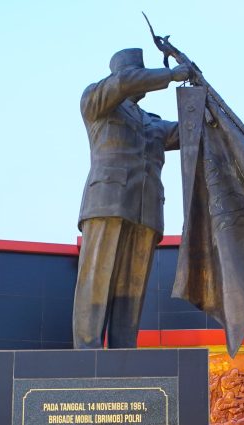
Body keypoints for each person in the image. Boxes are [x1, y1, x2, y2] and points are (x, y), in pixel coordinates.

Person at [73, 48, 191, 348]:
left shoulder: (152, 123)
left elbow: (191, 132)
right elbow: (125, 82)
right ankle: (87, 352)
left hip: (146, 211)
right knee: (96, 284)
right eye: (138, 74)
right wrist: (171, 75)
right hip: (106, 203)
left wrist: (200, 93)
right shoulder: (97, 102)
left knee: (132, 290)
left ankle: (125, 352)